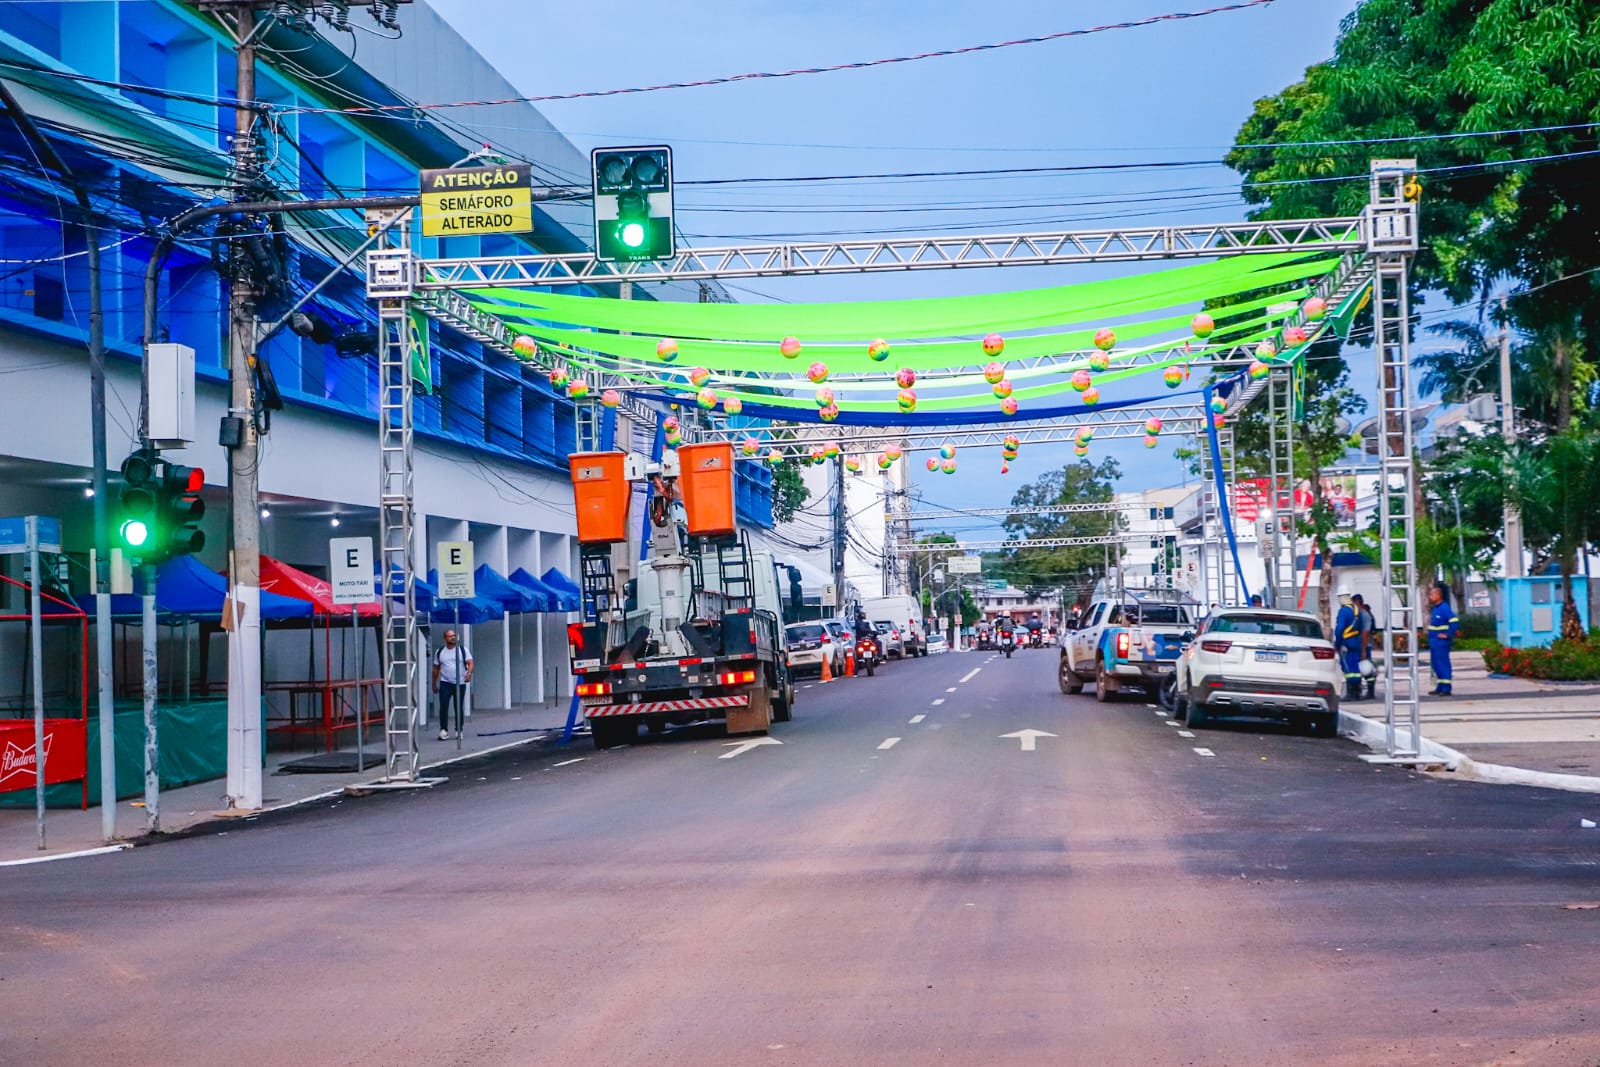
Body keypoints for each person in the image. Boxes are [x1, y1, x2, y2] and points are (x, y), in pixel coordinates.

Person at [431, 628, 473, 740]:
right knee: (443, 706)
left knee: (458, 706)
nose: (453, 637)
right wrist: (434, 683)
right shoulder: (440, 652)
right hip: (445, 683)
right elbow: (436, 668)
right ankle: (443, 730)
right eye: (450, 636)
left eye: (454, 635)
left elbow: (470, 662)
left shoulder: (462, 650)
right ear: (445, 638)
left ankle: (459, 730)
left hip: (460, 683)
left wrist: (469, 673)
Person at [1426, 583, 1460, 696]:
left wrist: (1447, 634)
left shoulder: (1444, 608)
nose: (1430, 597)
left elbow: (1454, 622)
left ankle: (1446, 688)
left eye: (1432, 594)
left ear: (1438, 595)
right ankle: (1440, 686)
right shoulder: (1436, 609)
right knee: (1436, 664)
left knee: (1442, 663)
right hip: (1434, 642)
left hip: (1441, 643)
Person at [1333, 591, 1362, 700]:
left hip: (1346, 642)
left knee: (1348, 667)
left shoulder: (1344, 611)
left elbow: (1340, 628)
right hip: (1356, 641)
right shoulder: (1356, 610)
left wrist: (1337, 643)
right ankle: (1357, 691)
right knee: (1355, 666)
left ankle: (1351, 692)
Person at [1352, 593, 1376, 700]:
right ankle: (1359, 691)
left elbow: (1365, 634)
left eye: (1353, 603)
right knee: (1361, 669)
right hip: (1361, 646)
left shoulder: (1364, 615)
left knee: (1366, 669)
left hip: (1364, 646)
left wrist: (1363, 651)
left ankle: (1369, 692)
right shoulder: (1359, 615)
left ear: (1357, 602)